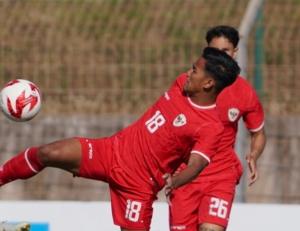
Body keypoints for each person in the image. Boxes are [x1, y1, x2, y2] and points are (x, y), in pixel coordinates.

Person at [0, 47, 240, 231]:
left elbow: (197, 164)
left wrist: (176, 181)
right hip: (111, 150)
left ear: (208, 83)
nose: (188, 72)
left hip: (138, 186)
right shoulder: (180, 85)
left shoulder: (211, 126)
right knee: (48, 153)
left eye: (195, 71)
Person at [169, 25, 266, 231]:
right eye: (214, 52)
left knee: (211, 228)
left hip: (221, 174)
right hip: (186, 175)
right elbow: (166, 124)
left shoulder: (244, 91)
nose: (220, 58)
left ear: (235, 53)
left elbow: (258, 133)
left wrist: (254, 155)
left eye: (226, 52)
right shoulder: (187, 83)